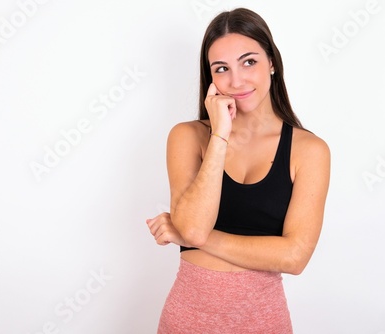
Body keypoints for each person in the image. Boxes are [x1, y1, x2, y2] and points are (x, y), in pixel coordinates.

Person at [146, 7, 330, 334]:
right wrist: (219, 134)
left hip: (264, 322)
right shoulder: (188, 137)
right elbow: (192, 225)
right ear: (211, 78)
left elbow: (294, 257)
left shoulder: (309, 151)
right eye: (221, 69)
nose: (236, 80)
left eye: (249, 62)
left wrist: (194, 237)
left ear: (272, 62)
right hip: (187, 320)